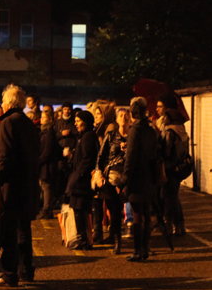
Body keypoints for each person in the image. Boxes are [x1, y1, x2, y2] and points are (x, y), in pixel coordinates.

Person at [0, 84, 41, 287]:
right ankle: (26, 270)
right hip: (27, 184)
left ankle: (9, 273)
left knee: (9, 230)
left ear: (10, 103)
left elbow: (4, 157)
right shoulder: (28, 123)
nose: (1, 104)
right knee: (24, 230)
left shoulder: (8, 123)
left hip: (11, 186)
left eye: (3, 101)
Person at [124, 97, 161, 261]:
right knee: (146, 212)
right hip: (150, 175)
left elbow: (130, 157)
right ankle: (145, 247)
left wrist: (126, 178)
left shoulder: (135, 130)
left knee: (137, 213)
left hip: (137, 176)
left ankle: (139, 250)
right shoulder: (151, 130)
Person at [94, 108, 129, 253]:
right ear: (116, 119)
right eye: (121, 116)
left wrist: (128, 149)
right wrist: (99, 174)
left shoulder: (133, 136)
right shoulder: (110, 136)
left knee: (117, 209)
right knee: (112, 207)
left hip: (127, 177)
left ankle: (117, 240)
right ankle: (114, 235)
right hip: (111, 177)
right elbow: (101, 157)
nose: (124, 118)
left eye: (126, 116)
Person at [65, 110, 98, 250]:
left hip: (81, 181)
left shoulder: (88, 137)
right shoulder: (84, 136)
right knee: (79, 209)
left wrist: (78, 175)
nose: (76, 124)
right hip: (80, 179)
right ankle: (84, 239)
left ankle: (83, 240)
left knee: (80, 209)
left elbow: (87, 158)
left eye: (78, 121)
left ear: (85, 122)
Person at [160, 107, 189, 236]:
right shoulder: (182, 131)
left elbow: (166, 151)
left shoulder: (169, 132)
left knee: (167, 198)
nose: (163, 119)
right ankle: (180, 226)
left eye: (165, 117)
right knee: (174, 197)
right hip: (179, 168)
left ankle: (168, 225)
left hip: (169, 168)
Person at [38, 110, 62, 219]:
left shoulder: (49, 133)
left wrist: (39, 160)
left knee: (47, 187)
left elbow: (47, 150)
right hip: (44, 164)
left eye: (44, 117)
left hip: (47, 165)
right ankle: (46, 208)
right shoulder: (43, 131)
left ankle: (47, 209)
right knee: (44, 186)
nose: (41, 119)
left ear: (50, 119)